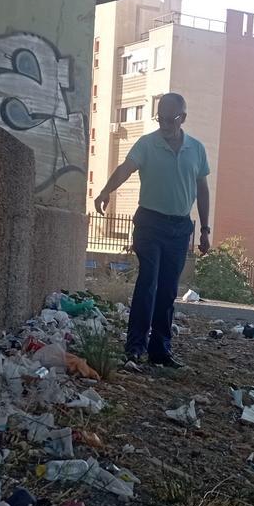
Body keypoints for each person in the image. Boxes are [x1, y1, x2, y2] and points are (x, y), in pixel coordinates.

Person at [93, 92, 210, 368]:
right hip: (150, 224)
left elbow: (202, 190)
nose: (165, 125)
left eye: (171, 119)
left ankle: (160, 350)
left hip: (180, 228)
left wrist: (204, 229)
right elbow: (126, 168)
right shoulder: (147, 144)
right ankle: (134, 347)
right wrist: (106, 191)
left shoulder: (197, 149)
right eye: (161, 118)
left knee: (168, 289)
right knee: (148, 282)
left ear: (183, 117)